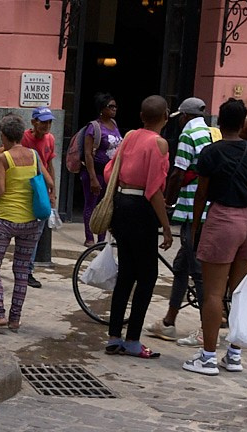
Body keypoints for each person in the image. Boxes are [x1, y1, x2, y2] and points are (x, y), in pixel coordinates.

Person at [182, 99, 247, 377]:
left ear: (219, 122)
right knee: (239, 293)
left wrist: (196, 226)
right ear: (243, 124)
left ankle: (207, 356)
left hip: (223, 217)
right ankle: (234, 354)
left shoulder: (211, 152)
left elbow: (202, 193)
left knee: (214, 293)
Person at [103, 95, 173, 359]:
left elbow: (110, 171)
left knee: (126, 274)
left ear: (142, 116)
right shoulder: (159, 143)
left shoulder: (130, 136)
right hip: (141, 210)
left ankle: (113, 336)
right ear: (166, 115)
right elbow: (154, 190)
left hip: (121, 204)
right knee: (147, 276)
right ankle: (132, 339)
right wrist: (165, 226)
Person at [0, 113, 43, 334]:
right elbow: (47, 182)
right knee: (22, 270)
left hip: (6, 220)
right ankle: (14, 319)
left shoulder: (5, 159)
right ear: (22, 133)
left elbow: (1, 191)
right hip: (31, 221)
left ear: (3, 135)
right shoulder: (33, 155)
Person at [149, 97, 211, 341]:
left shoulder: (188, 134)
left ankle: (208, 329)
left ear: (185, 117)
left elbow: (178, 173)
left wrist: (166, 201)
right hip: (207, 206)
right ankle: (169, 322)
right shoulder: (210, 132)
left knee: (196, 270)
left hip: (191, 209)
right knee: (181, 266)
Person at [21, 105, 58, 289]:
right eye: (44, 122)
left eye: (49, 122)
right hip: (26, 185)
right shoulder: (24, 137)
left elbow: (50, 164)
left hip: (42, 187)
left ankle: (28, 269)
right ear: (34, 122)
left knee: (36, 230)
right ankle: (23, 267)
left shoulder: (50, 139)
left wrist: (53, 192)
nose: (47, 125)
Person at [80, 92, 123, 247]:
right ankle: (89, 237)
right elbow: (88, 153)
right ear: (101, 109)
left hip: (109, 174)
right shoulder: (94, 127)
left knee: (105, 204)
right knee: (91, 203)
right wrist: (92, 177)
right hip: (95, 172)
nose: (114, 109)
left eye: (115, 106)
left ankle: (102, 238)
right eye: (110, 106)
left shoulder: (114, 124)